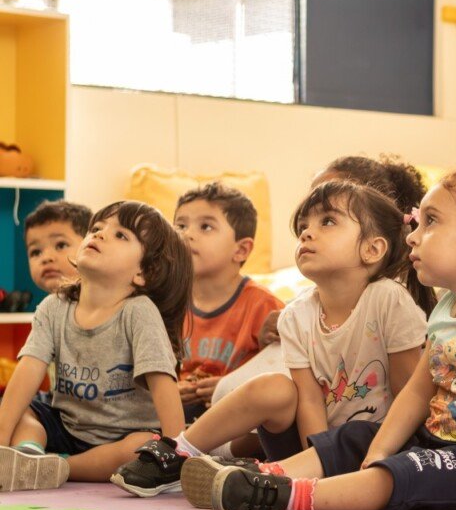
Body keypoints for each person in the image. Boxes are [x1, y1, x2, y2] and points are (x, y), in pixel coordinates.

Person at [191, 167, 456, 510]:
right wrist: (380, 446)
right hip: (440, 439)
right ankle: (268, 474)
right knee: (358, 437)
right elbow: (419, 390)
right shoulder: (446, 311)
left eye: (431, 222)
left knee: (403, 474)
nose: (412, 237)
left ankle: (290, 497)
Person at [111, 180, 431, 498]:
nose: (307, 232)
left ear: (372, 249)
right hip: (312, 445)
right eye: (304, 226)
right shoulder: (296, 314)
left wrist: (338, 461)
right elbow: (307, 400)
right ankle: (179, 451)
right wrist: (317, 457)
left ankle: (252, 476)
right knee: (274, 387)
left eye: (328, 222)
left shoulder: (389, 300)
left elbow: (408, 396)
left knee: (358, 432)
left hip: (375, 446)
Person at [0, 201, 191, 490]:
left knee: (142, 444)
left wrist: (177, 450)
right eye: (97, 228)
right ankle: (29, 453)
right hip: (65, 425)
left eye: (121, 235)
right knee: (21, 411)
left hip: (122, 435)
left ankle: (59, 467)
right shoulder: (54, 307)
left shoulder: (138, 311)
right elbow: (27, 373)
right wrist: (2, 438)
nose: (99, 235)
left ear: (144, 273)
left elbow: (163, 383)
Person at [172, 182, 284, 422]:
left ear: (241, 250)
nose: (187, 234)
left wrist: (229, 387)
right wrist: (169, 392)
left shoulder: (263, 306)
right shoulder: (167, 302)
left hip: (233, 420)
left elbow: (280, 374)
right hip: (176, 415)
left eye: (206, 227)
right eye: (180, 225)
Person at [23, 200, 92, 293]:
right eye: (36, 252)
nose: (46, 258)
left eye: (61, 245)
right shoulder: (47, 306)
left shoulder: (104, 303)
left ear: (90, 245)